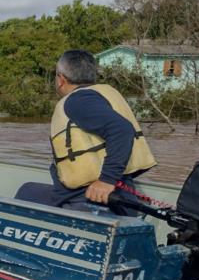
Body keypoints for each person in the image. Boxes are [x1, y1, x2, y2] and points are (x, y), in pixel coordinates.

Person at [15, 50, 156, 211]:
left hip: (86, 197)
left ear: (61, 79)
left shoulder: (78, 101)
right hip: (121, 189)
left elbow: (121, 129)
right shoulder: (98, 96)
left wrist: (107, 180)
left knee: (26, 192)